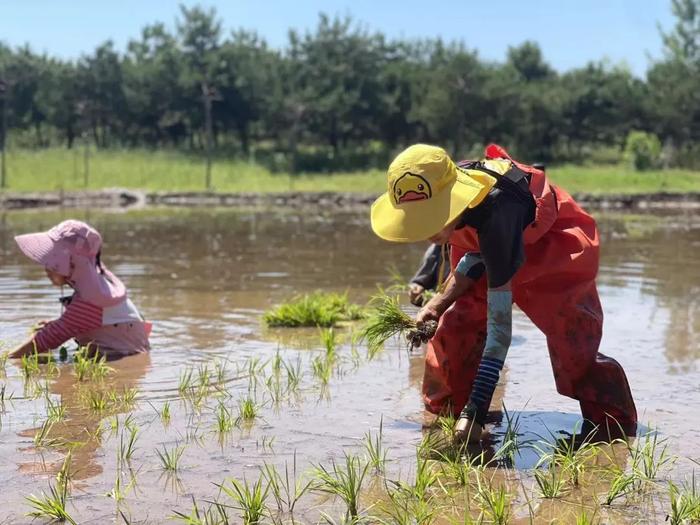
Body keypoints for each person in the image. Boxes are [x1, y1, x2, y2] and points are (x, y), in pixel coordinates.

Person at [370, 143, 637, 443]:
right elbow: (476, 257)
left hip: (551, 245)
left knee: (573, 341)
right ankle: (449, 411)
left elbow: (501, 333)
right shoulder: (451, 196)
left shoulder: (496, 215)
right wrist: (438, 302)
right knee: (456, 330)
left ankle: (614, 427)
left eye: (430, 218)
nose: (425, 230)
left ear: (450, 202)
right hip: (489, 239)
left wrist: (477, 411)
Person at [9, 220, 151, 360]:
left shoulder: (90, 300)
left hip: (122, 357)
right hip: (131, 347)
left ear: (73, 263)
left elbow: (45, 340)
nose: (47, 267)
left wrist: (7, 358)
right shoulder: (99, 286)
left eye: (54, 260)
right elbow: (82, 320)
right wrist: (59, 323)